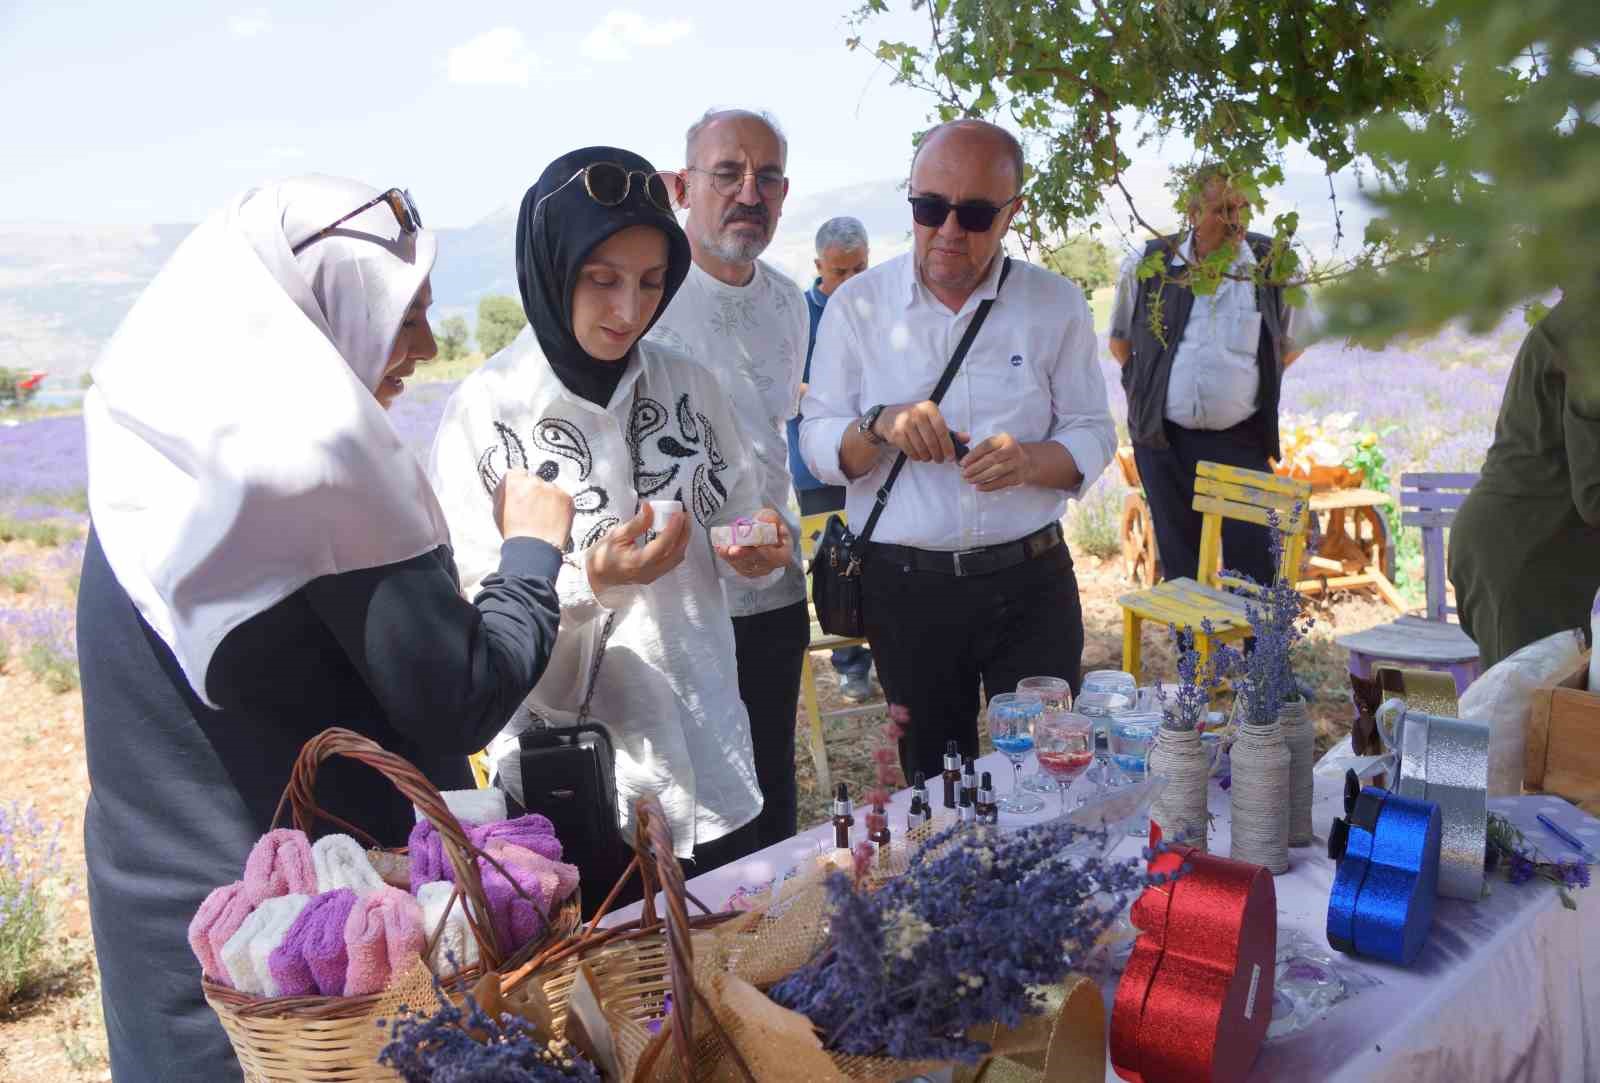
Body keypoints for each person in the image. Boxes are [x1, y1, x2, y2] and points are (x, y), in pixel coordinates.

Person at [78, 176, 574, 1082]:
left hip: (180, 914)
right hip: (305, 958)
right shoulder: (315, 456)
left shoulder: (166, 434)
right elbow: (458, 698)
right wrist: (532, 552)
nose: (424, 345)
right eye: (405, 313)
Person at [428, 147, 794, 893]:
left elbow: (738, 512)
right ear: (551, 265)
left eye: (653, 282)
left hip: (708, 755)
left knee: (725, 975)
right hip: (573, 788)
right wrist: (591, 580)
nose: (629, 310)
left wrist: (755, 546)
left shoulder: (692, 388)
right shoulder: (486, 413)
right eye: (601, 281)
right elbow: (470, 611)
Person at [799, 119, 1116, 782]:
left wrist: (1031, 460)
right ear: (910, 198)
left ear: (1012, 214)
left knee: (1047, 777)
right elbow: (820, 443)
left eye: (973, 214)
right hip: (906, 590)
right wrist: (879, 425)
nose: (947, 229)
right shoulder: (856, 307)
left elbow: (1092, 430)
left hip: (1030, 583)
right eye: (928, 208)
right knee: (936, 784)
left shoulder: (1053, 303)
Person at [643, 108, 810, 848]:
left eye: (768, 176)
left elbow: (773, 442)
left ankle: (777, 957)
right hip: (672, 600)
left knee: (770, 794)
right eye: (728, 173)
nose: (751, 191)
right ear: (682, 186)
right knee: (689, 815)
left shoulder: (788, 303)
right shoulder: (642, 298)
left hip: (771, 587)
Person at [1108, 165, 1310, 587]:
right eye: (1221, 209)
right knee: (1182, 568)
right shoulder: (1149, 265)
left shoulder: (1272, 265)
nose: (1235, 219)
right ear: (1192, 211)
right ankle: (1196, 656)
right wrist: (1147, 392)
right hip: (1163, 442)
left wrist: (1244, 390)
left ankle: (1261, 656)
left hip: (1240, 440)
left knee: (1256, 568)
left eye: (1242, 207)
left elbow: (1293, 343)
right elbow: (1120, 341)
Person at [1450, 298, 1600, 670]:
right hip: (1524, 557)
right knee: (1524, 720)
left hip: (1525, 547)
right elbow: (1594, 494)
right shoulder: (1588, 327)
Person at [793, 216, 875, 702]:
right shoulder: (799, 316)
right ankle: (850, 664)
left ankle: (889, 645)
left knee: (881, 557)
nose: (851, 281)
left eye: (860, 268)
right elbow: (788, 386)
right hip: (818, 464)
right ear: (820, 266)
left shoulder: (881, 305)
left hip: (879, 459)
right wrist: (835, 396)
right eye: (841, 271)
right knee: (836, 565)